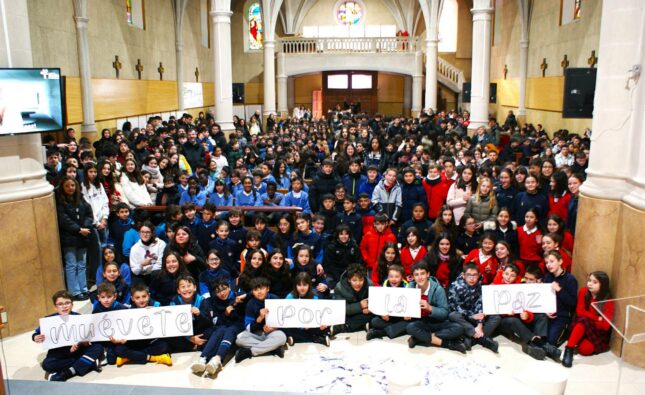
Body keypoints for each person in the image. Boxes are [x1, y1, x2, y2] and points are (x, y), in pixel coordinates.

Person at [32, 290, 103, 381]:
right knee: (47, 364)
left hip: (77, 350)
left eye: (67, 303)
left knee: (98, 347)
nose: (64, 306)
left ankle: (67, 373)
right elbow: (36, 333)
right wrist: (35, 337)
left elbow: (86, 337)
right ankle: (88, 363)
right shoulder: (49, 320)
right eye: (60, 304)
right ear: (55, 307)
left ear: (72, 305)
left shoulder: (79, 317)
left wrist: (80, 343)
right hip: (58, 352)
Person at [405, 262, 466, 353]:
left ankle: (420, 338)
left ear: (428, 274)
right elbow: (406, 309)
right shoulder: (410, 289)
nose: (420, 277)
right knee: (410, 327)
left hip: (437, 322)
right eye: (416, 275)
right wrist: (407, 315)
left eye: (422, 273)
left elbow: (444, 313)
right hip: (421, 322)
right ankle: (447, 344)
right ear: (413, 277)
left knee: (459, 328)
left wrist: (430, 308)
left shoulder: (438, 289)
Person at [190, 278, 246, 376]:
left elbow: (248, 299)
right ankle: (202, 359)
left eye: (224, 289)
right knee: (219, 330)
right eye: (218, 291)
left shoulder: (238, 296)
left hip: (238, 324)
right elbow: (216, 321)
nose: (222, 293)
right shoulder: (213, 301)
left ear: (229, 288)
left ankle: (217, 359)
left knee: (230, 330)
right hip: (223, 324)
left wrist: (235, 304)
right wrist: (226, 314)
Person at [562, 271, 613, 368]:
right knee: (583, 320)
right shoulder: (583, 292)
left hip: (596, 330)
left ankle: (576, 340)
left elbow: (606, 326)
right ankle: (569, 349)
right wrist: (597, 318)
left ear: (603, 285)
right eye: (589, 280)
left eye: (595, 282)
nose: (590, 284)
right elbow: (580, 311)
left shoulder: (607, 300)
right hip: (581, 324)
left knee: (585, 350)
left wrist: (595, 322)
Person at [113, 284, 172, 367]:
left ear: (149, 296)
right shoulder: (129, 311)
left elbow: (165, 324)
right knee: (118, 349)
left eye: (144, 296)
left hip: (152, 341)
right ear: (132, 298)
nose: (141, 300)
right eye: (137, 297)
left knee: (165, 346)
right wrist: (124, 339)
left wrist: (154, 313)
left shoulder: (157, 306)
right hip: (136, 342)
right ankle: (153, 358)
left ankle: (129, 357)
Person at [56, 176, 93, 301]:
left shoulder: (81, 198)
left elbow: (89, 214)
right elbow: (64, 220)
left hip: (83, 236)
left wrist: (85, 227)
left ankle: (83, 288)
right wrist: (78, 229)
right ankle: (74, 291)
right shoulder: (60, 201)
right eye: (67, 186)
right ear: (62, 187)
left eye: (72, 185)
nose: (70, 188)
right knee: (72, 265)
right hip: (69, 237)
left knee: (82, 264)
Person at [448, 263, 500, 352]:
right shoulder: (455, 285)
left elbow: (480, 304)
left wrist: (479, 324)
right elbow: (455, 307)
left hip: (476, 317)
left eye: (474, 275)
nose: (472, 278)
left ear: (479, 275)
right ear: (463, 275)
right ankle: (481, 338)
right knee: (453, 315)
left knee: (496, 317)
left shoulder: (479, 285)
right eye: (469, 275)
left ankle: (472, 340)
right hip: (464, 317)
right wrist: (471, 316)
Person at [235, 277, 288, 362]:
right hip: (257, 334)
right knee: (239, 339)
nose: (259, 292)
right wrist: (259, 318)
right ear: (252, 292)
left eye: (262, 288)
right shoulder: (250, 303)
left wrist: (274, 328)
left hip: (272, 332)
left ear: (268, 289)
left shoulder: (275, 299)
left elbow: (284, 320)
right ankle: (272, 348)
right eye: (256, 290)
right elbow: (248, 328)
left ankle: (249, 352)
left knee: (282, 337)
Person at [283, 272, 331, 346]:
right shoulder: (290, 297)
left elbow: (317, 315)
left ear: (309, 285)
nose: (302, 288)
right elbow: (285, 316)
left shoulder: (314, 297)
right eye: (299, 285)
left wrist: (320, 324)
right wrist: (302, 326)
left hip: (310, 326)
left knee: (326, 326)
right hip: (296, 326)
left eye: (305, 285)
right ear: (295, 286)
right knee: (284, 329)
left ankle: (296, 339)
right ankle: (316, 338)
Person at [366, 265, 412, 340]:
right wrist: (381, 314)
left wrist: (408, 314)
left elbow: (411, 306)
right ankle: (394, 329)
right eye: (391, 276)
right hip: (388, 319)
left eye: (397, 277)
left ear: (401, 278)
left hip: (402, 319)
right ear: (387, 277)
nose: (393, 279)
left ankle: (380, 332)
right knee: (374, 321)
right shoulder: (383, 288)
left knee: (410, 324)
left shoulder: (408, 289)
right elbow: (379, 305)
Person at [544, 250, 578, 348]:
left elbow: (573, 302)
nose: (549, 265)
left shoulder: (570, 279)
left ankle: (566, 333)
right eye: (546, 262)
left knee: (551, 342)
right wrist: (546, 311)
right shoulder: (548, 277)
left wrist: (559, 289)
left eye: (552, 261)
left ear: (560, 261)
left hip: (562, 316)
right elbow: (544, 298)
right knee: (540, 337)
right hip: (548, 314)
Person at [332, 264, 373, 335]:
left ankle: (346, 326)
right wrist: (360, 305)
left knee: (374, 315)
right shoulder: (339, 288)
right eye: (354, 280)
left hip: (362, 313)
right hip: (347, 313)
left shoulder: (369, 284)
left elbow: (375, 302)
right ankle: (359, 325)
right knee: (338, 316)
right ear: (349, 280)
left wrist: (370, 308)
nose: (358, 283)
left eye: (361, 280)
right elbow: (342, 309)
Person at [323, 225, 361, 289]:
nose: (344, 236)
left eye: (346, 234)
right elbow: (329, 265)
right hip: (334, 275)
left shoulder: (354, 246)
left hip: (350, 274)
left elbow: (357, 263)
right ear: (337, 235)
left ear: (349, 235)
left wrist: (349, 276)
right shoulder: (331, 247)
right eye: (341, 234)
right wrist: (339, 278)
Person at [360, 213, 397, 278]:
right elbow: (362, 248)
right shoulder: (368, 235)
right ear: (374, 224)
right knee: (371, 285)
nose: (380, 226)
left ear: (386, 224)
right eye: (377, 224)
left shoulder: (391, 237)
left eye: (382, 224)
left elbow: (394, 252)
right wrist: (366, 259)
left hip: (385, 267)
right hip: (370, 266)